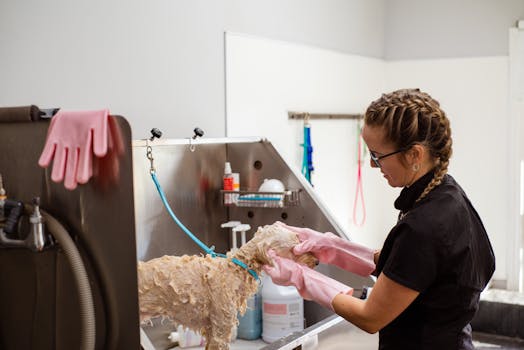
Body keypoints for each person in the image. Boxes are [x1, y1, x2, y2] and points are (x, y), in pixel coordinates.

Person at [263, 88, 495, 350]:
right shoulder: (446, 194)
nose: (373, 165)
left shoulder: (426, 226)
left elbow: (369, 316)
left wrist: (301, 277)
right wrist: (329, 246)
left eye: (377, 155)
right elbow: (403, 263)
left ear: (415, 155)